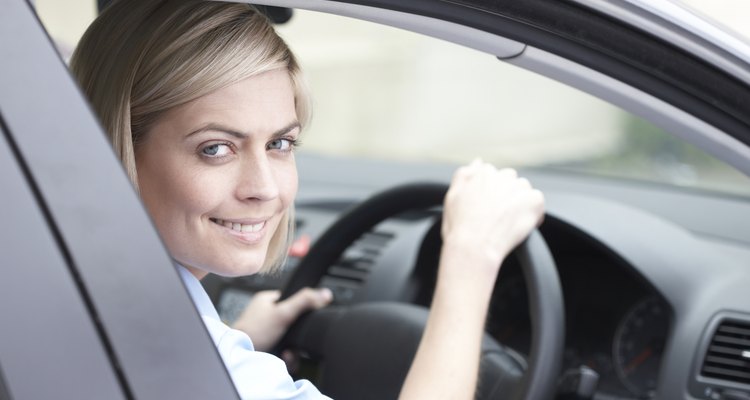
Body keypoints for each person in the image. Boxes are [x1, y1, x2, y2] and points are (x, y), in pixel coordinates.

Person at [70, 1, 545, 399]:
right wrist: (470, 258)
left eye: (280, 144)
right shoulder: (192, 360)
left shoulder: (74, 292)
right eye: (215, 149)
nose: (265, 188)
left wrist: (242, 341)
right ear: (117, 151)